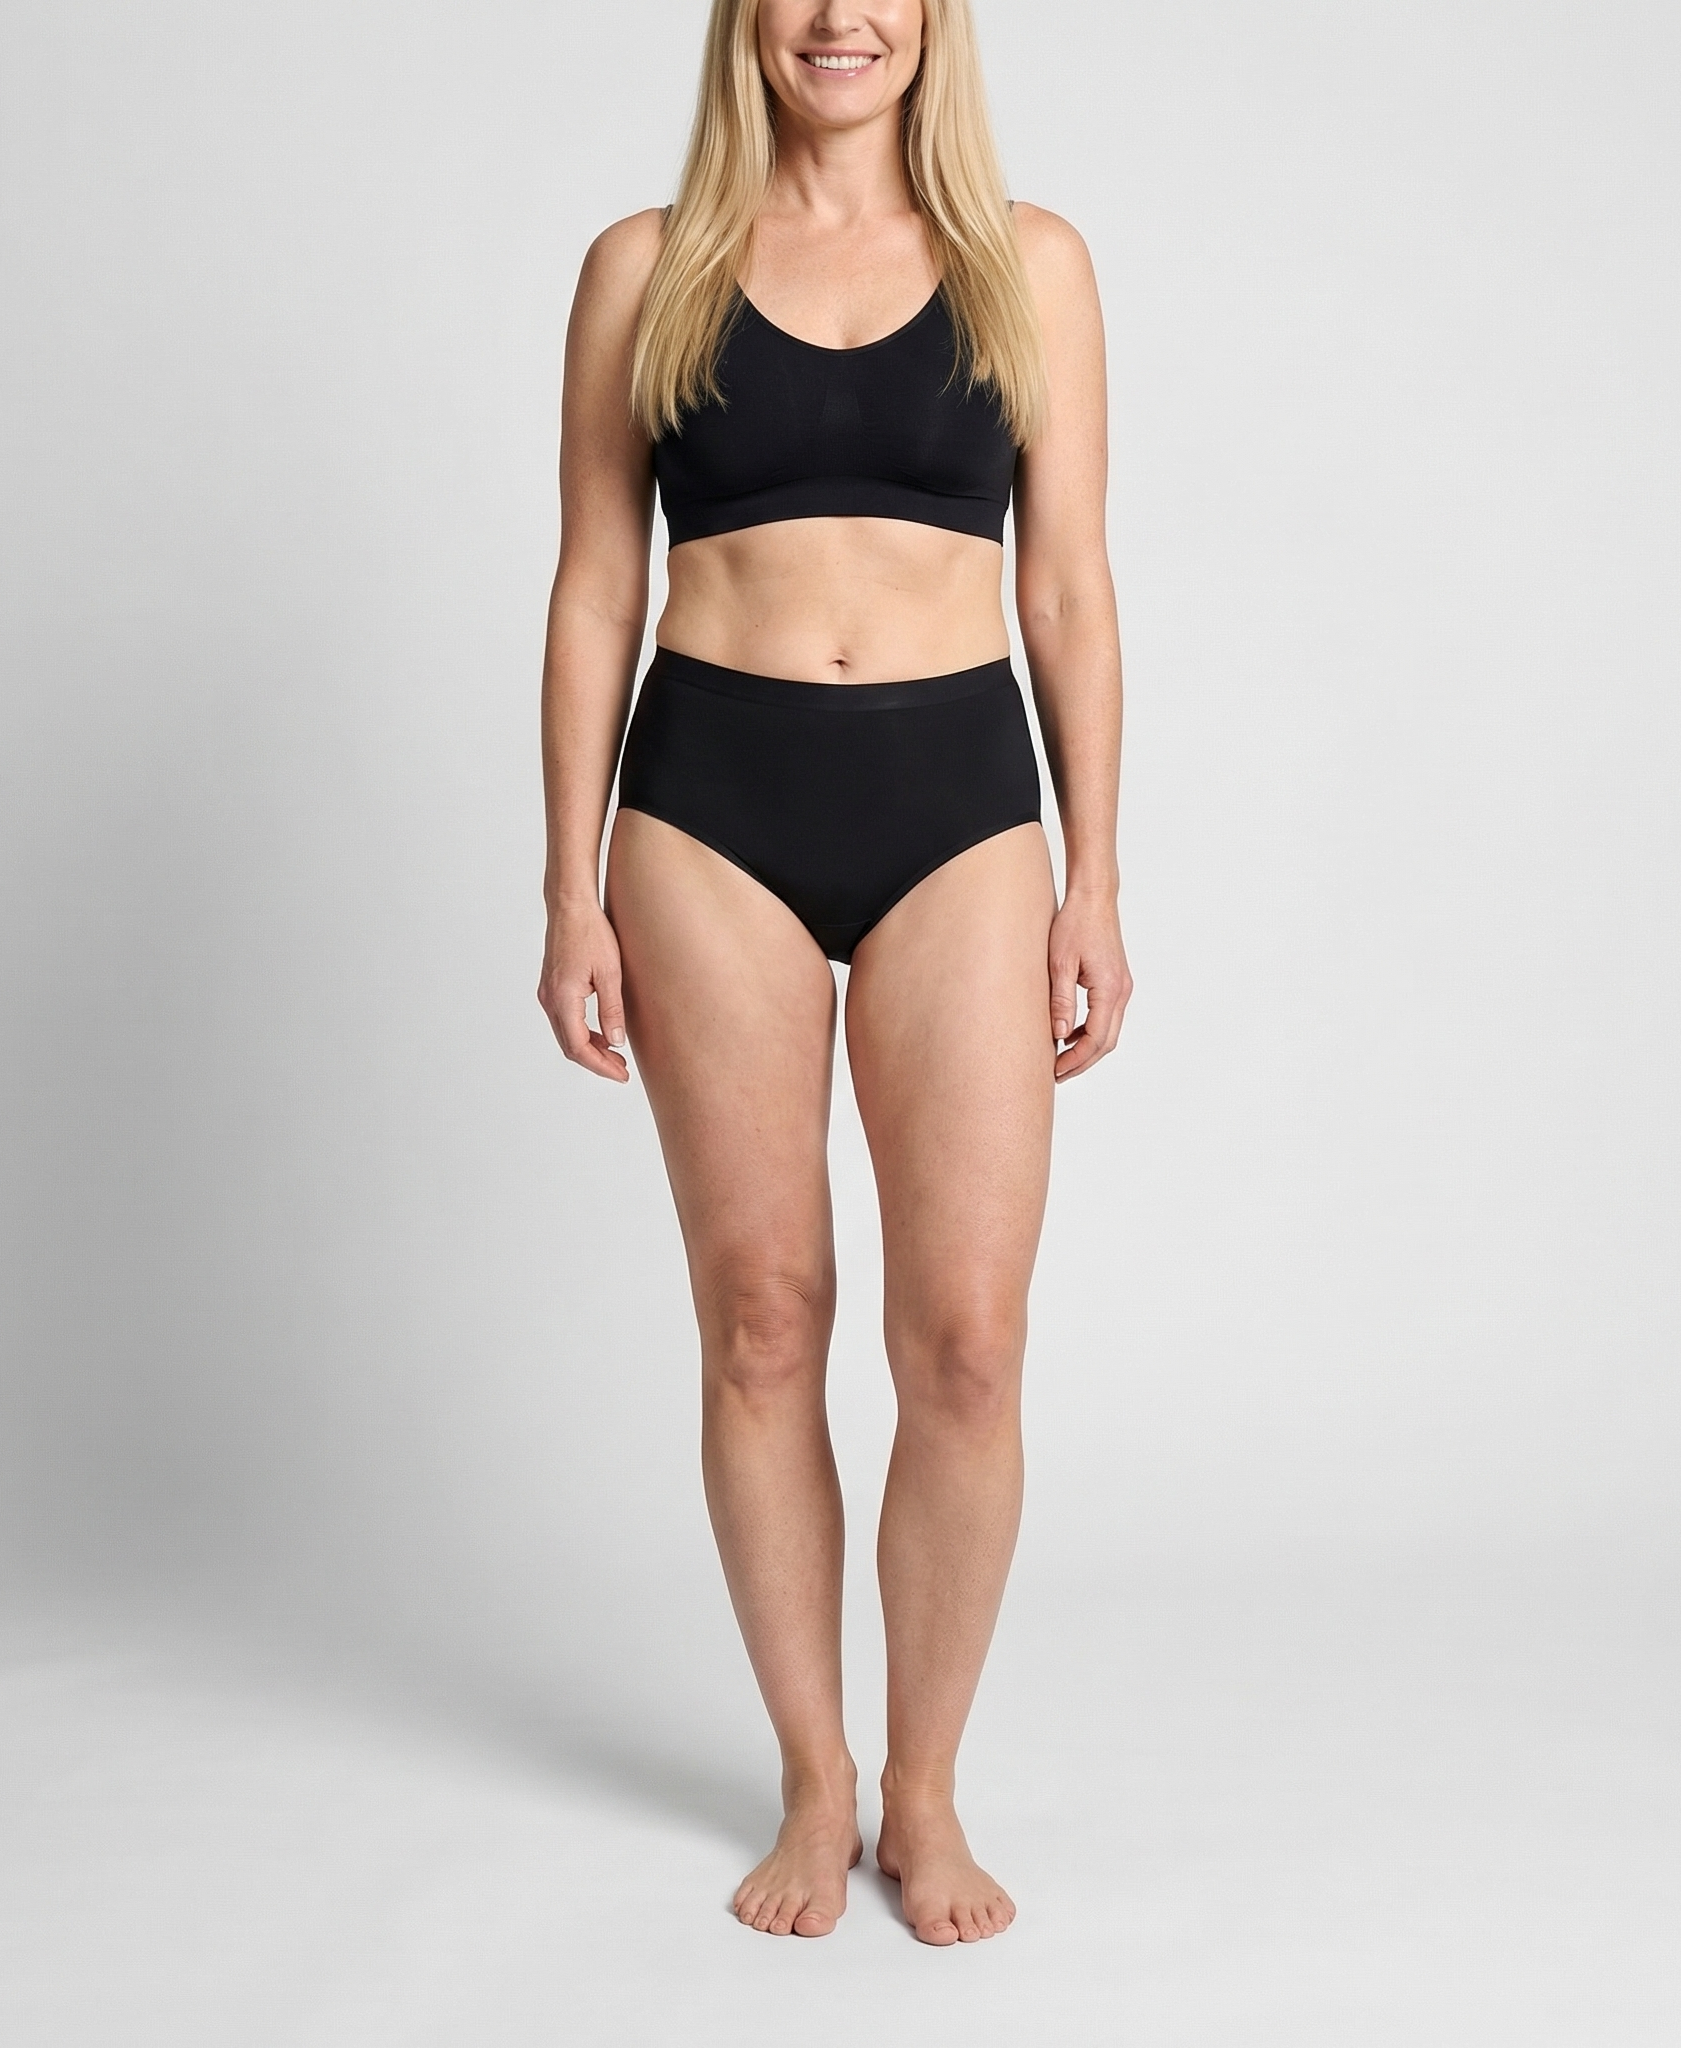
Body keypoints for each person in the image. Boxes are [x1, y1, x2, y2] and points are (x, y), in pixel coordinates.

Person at [536, 0, 1129, 1945]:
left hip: (960, 810)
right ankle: (814, 1776)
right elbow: (596, 588)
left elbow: (1067, 585)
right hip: (708, 810)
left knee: (965, 1340)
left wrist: (1098, 878)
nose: (838, 16)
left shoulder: (1029, 263)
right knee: (763, 1317)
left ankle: (925, 1788)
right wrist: (566, 890)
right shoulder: (647, 268)